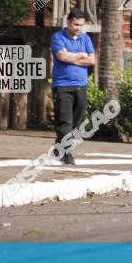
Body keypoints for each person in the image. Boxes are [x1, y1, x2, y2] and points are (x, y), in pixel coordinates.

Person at [50, 9, 95, 165]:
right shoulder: (58, 37)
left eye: (81, 25)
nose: (78, 28)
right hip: (62, 86)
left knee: (76, 121)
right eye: (75, 24)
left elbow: (92, 60)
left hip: (81, 86)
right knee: (65, 122)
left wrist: (72, 58)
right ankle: (66, 154)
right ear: (68, 22)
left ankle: (58, 148)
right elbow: (61, 56)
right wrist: (81, 55)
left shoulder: (85, 38)